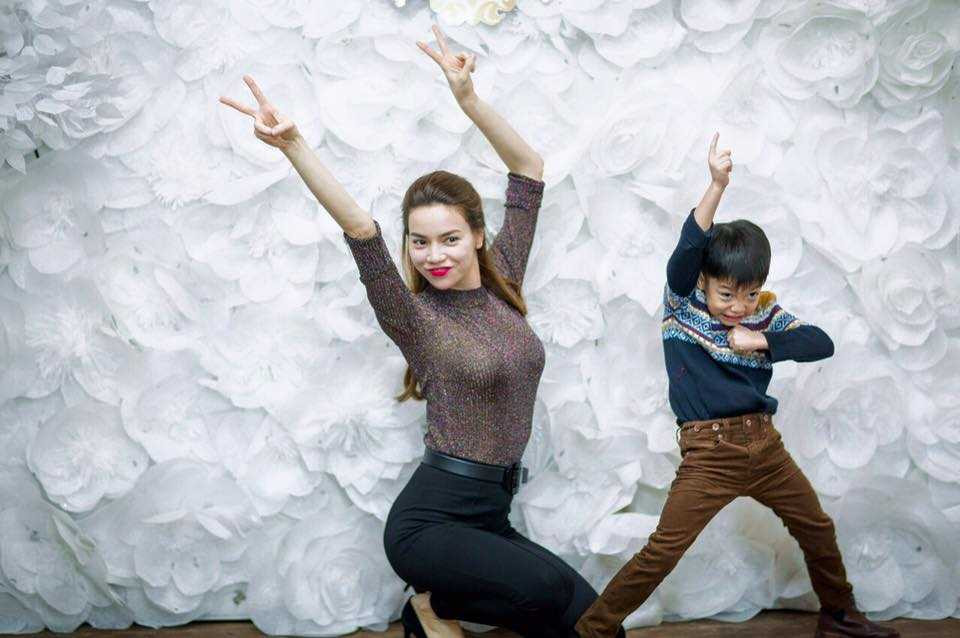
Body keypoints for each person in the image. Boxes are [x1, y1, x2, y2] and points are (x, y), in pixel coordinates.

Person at [221, 25, 624, 638]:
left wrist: (469, 99)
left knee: (601, 629)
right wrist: (294, 144)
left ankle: (437, 612)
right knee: (542, 593)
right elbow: (360, 228)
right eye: (420, 241)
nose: (434, 255)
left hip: (491, 519)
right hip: (428, 525)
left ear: (479, 236)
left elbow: (528, 168)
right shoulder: (414, 318)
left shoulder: (504, 281)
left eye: (450, 238)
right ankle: (431, 606)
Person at [573, 134, 900, 638]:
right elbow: (688, 246)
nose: (737, 306)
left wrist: (762, 339)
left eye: (749, 294)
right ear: (704, 281)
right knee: (665, 548)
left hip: (765, 447)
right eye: (727, 294)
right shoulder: (682, 302)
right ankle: (592, 630)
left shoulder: (762, 313)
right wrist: (716, 185)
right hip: (710, 453)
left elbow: (821, 343)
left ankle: (840, 617)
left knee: (815, 526)